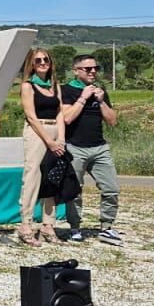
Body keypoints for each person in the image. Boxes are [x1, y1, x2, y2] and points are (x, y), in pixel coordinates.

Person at [60, 54, 122, 244]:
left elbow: (112, 121)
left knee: (111, 188)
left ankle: (107, 227)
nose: (93, 72)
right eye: (88, 69)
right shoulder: (66, 90)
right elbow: (67, 118)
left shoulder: (100, 92)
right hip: (75, 147)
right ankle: (75, 228)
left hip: (100, 148)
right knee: (74, 191)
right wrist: (83, 98)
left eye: (96, 68)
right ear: (76, 71)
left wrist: (101, 101)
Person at [17, 48, 64, 246]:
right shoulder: (28, 86)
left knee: (52, 178)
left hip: (55, 129)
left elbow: (60, 112)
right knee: (33, 176)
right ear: (32, 64)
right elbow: (31, 116)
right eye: (38, 60)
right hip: (38, 132)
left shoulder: (55, 86)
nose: (43, 62)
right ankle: (26, 223)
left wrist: (61, 138)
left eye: (46, 59)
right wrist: (49, 141)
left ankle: (48, 224)